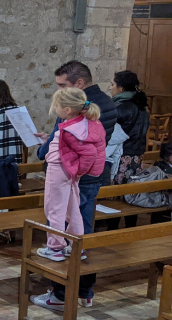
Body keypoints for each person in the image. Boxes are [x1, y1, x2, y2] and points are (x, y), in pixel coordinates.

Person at [31, 60, 118, 310]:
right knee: (81, 231)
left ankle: (60, 295)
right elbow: (87, 142)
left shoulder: (73, 106)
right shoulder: (104, 103)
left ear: (79, 84)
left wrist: (45, 149)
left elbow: (70, 142)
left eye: (61, 85)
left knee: (62, 225)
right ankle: (84, 290)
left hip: (71, 175)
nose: (57, 91)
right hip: (91, 175)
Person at [35, 88, 105, 262]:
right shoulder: (83, 123)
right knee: (72, 208)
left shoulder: (72, 128)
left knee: (54, 209)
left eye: (57, 105)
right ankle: (76, 245)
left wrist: (78, 171)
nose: (55, 108)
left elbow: (89, 153)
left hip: (59, 170)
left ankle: (55, 247)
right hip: (67, 171)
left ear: (67, 109)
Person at [105, 70, 150, 230]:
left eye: (112, 84)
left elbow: (112, 134)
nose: (110, 88)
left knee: (114, 196)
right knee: (132, 193)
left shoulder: (122, 108)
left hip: (122, 157)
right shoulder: (142, 107)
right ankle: (130, 229)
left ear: (121, 88)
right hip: (136, 158)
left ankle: (111, 230)